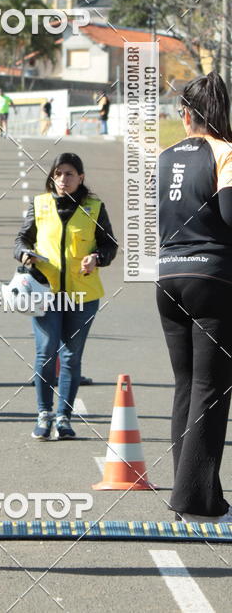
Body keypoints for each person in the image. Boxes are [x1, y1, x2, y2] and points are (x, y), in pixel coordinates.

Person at [158, 72, 232, 523]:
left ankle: (198, 490)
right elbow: (229, 214)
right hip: (214, 279)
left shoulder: (165, 157)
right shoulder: (225, 153)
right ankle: (195, 500)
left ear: (187, 115)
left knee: (186, 385)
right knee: (212, 388)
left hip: (167, 277)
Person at [13, 152, 117, 441]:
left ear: (80, 178)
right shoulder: (40, 204)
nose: (62, 179)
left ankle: (64, 417)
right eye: (58, 174)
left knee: (71, 357)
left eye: (69, 174)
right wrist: (23, 253)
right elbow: (21, 239)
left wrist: (96, 257)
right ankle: (44, 413)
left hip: (83, 294)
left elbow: (110, 245)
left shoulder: (94, 207)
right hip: (45, 293)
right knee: (46, 353)